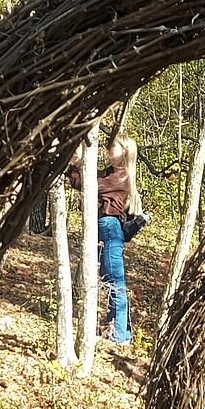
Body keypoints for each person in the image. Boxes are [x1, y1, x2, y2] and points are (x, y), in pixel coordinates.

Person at [71, 133, 144, 347]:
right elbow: (81, 182)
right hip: (104, 226)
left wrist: (76, 160)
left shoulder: (121, 176)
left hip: (110, 227)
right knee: (108, 278)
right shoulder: (112, 173)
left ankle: (120, 334)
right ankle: (115, 328)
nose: (109, 149)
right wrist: (73, 161)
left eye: (115, 146)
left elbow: (93, 184)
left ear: (125, 152)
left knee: (115, 280)